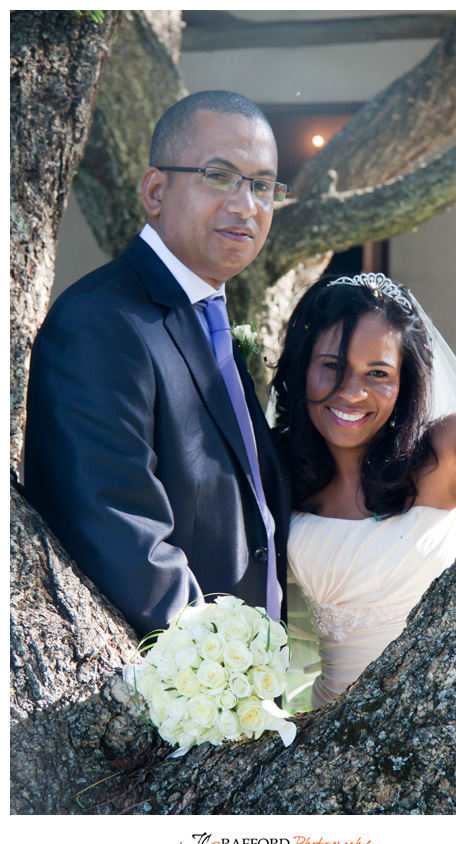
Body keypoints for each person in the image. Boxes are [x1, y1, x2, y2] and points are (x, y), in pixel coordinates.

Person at [23, 90, 291, 639]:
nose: (246, 206)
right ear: (155, 191)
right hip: (176, 670)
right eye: (220, 176)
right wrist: (222, 660)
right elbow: (118, 525)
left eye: (262, 185)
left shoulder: (209, 317)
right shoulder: (102, 320)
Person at [271, 272, 456, 708]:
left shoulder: (445, 453)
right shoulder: (280, 468)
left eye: (377, 373)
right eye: (332, 366)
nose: (352, 393)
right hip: (324, 731)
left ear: (404, 382)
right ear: (301, 367)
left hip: (443, 724)